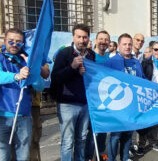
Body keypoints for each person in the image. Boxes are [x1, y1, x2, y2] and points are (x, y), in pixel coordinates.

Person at [51, 24, 95, 160]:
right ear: (73, 37)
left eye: (85, 37)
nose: (82, 40)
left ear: (89, 38)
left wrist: (86, 74)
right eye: (79, 37)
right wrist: (72, 67)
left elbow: (93, 76)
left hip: (84, 103)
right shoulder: (64, 53)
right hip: (67, 104)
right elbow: (56, 77)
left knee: (81, 139)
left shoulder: (91, 55)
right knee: (68, 141)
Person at [0, 28, 44, 160]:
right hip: (3, 115)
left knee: (23, 157)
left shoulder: (25, 60)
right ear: (5, 41)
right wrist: (17, 76)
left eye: (19, 43)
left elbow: (39, 86)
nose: (15, 45)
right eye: (11, 41)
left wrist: (33, 70)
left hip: (24, 116)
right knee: (3, 156)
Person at [105, 33, 144, 161]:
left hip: (132, 106)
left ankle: (125, 157)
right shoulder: (111, 62)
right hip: (117, 106)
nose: (127, 47)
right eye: (124, 44)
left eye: (129, 44)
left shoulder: (136, 62)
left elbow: (142, 81)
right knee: (115, 136)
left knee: (128, 135)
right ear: (119, 45)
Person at [85, 30, 110, 161]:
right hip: (92, 99)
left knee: (103, 128)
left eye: (106, 40)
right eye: (101, 39)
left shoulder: (109, 58)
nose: (103, 42)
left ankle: (100, 153)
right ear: (95, 40)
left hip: (106, 99)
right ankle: (89, 157)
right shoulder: (89, 57)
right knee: (92, 130)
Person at [30, 64, 50, 161]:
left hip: (33, 105)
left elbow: (46, 73)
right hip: (8, 107)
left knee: (34, 138)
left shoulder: (34, 52)